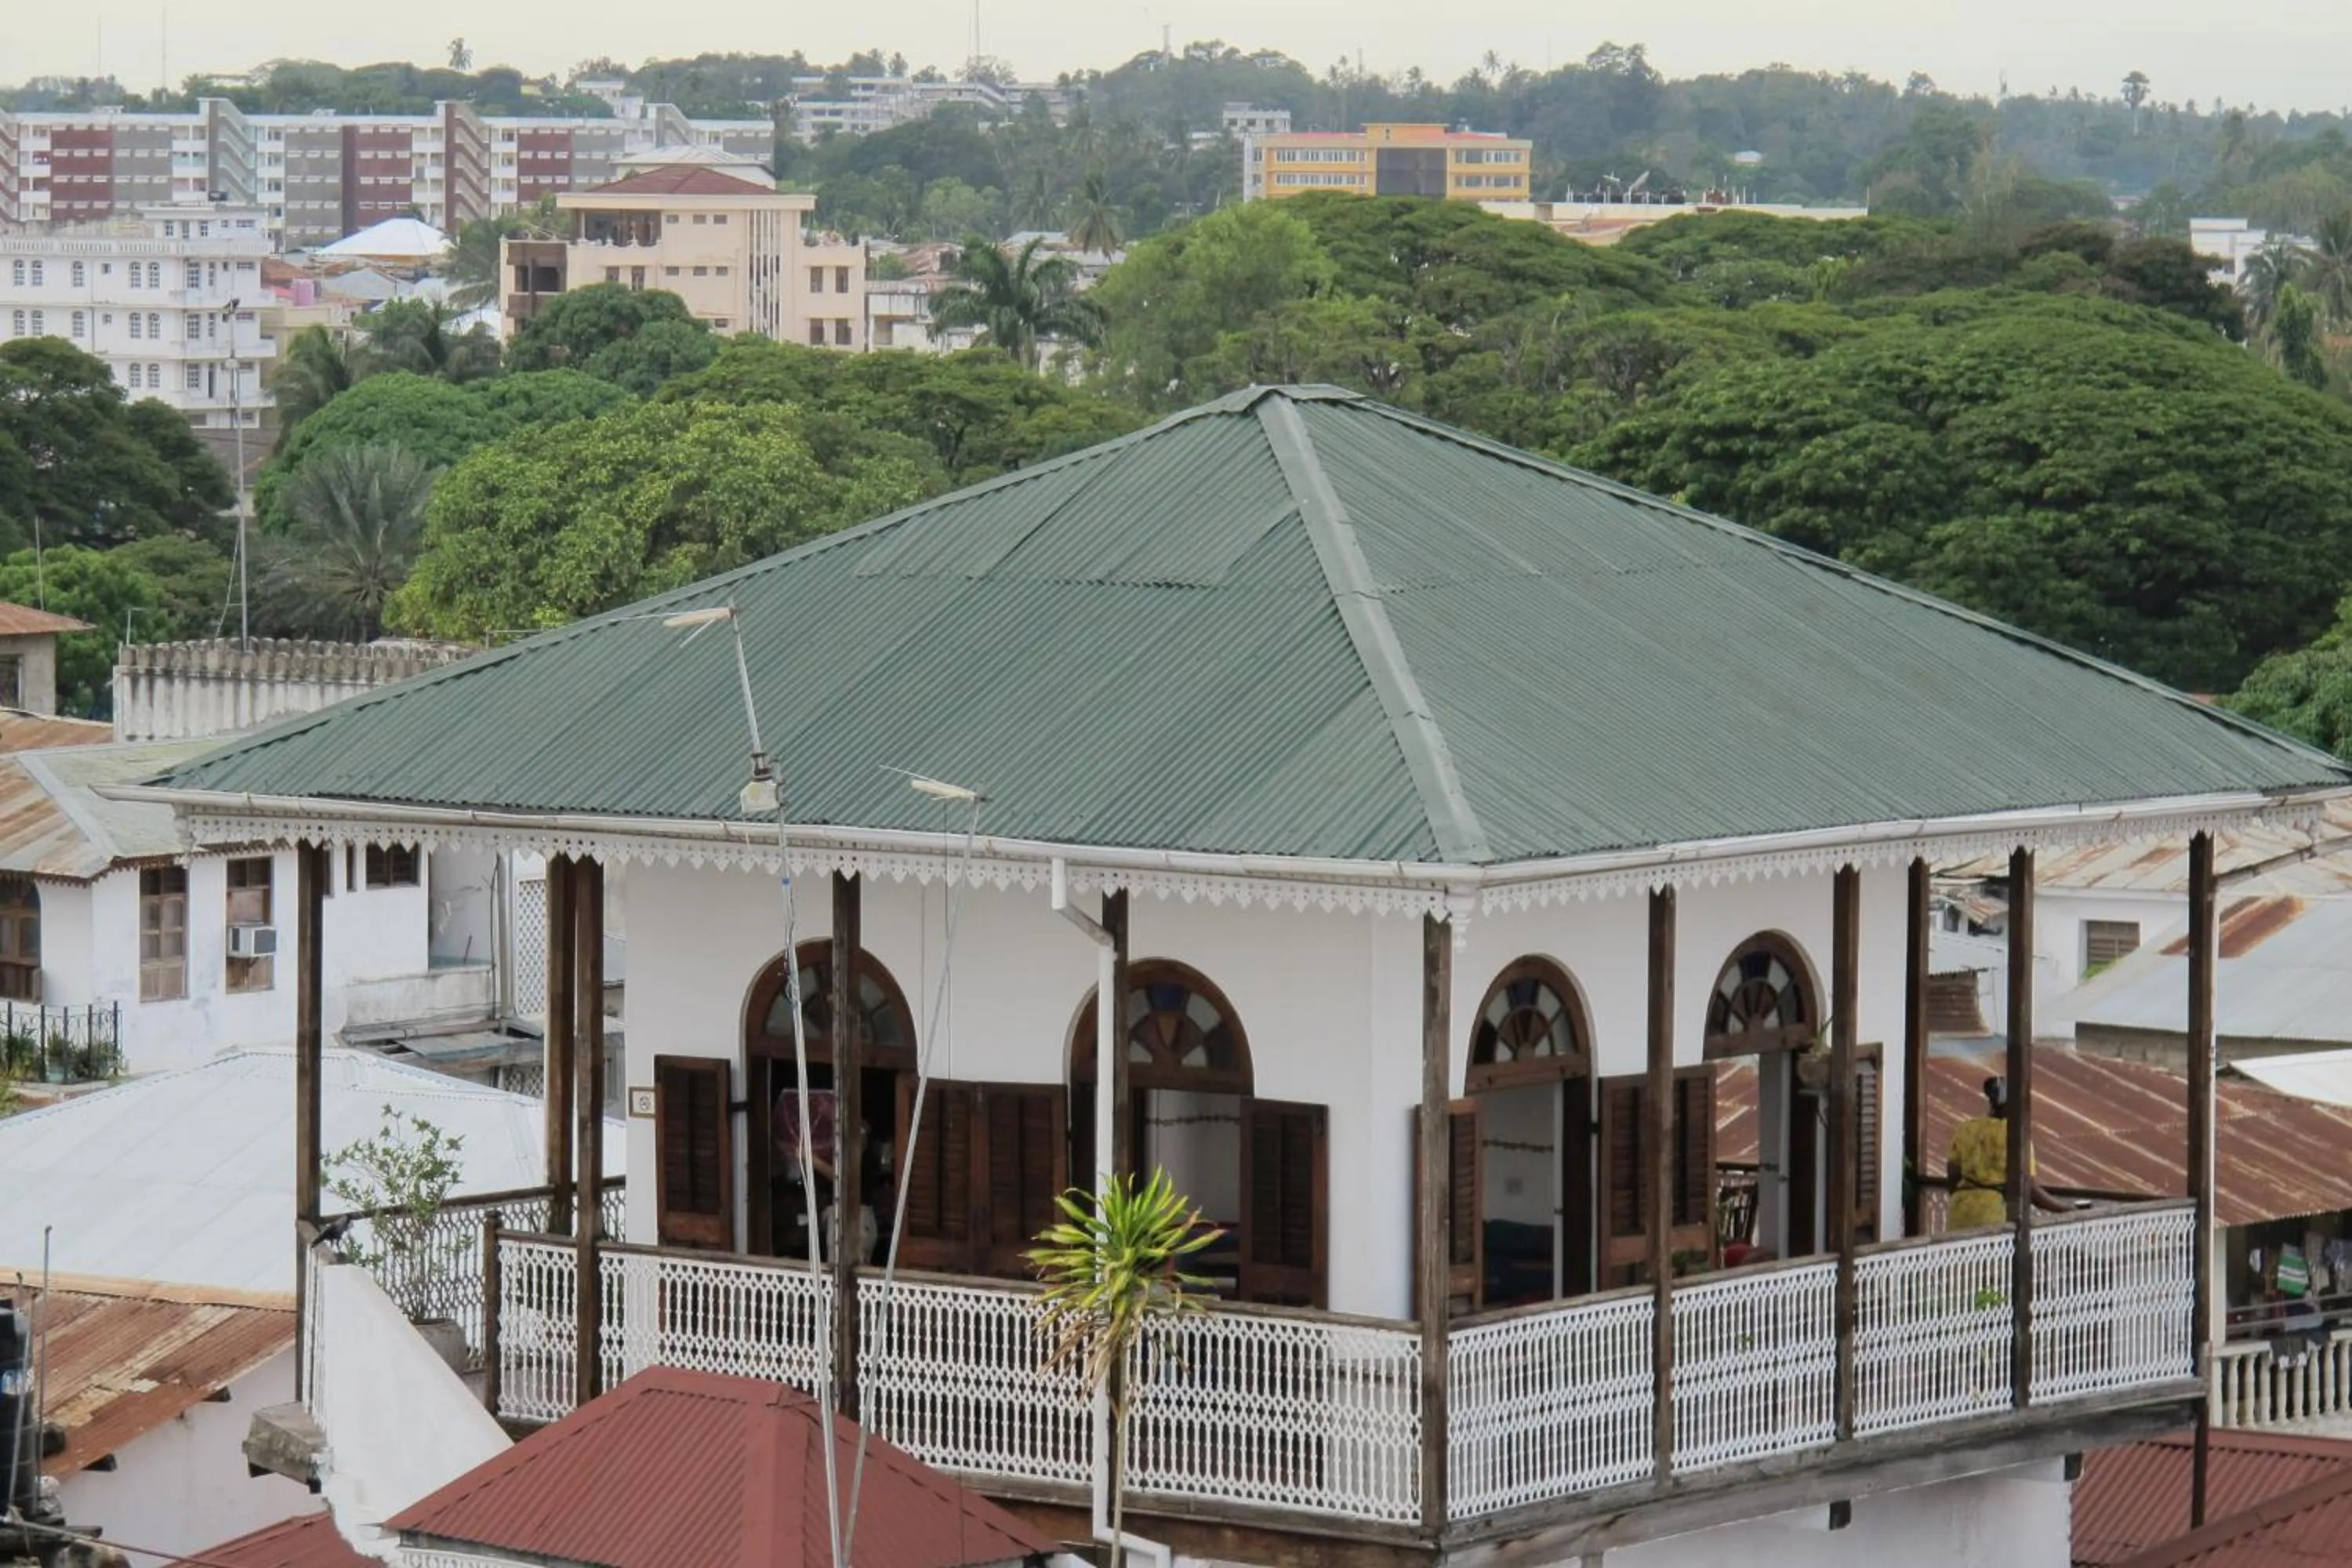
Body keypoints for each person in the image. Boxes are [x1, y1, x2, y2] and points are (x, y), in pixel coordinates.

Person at [1945, 1076, 2075, 1229]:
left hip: (1959, 1211)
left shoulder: (1967, 1128)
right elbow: (2029, 1188)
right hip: (1993, 1215)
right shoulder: (2016, 1134)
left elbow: (1953, 1176)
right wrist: (2065, 1209)